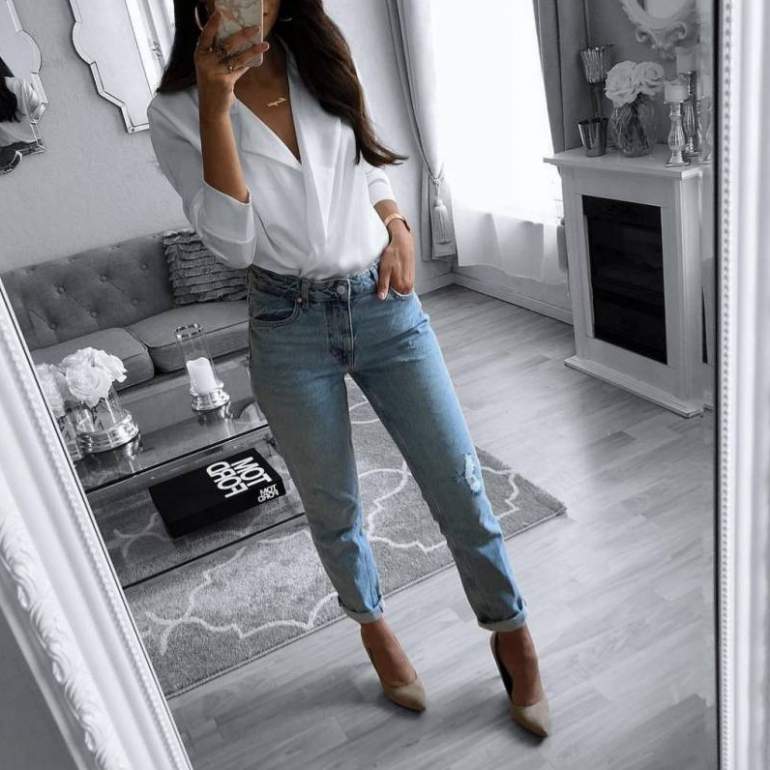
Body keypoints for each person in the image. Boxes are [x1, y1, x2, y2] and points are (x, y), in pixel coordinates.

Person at [147, 0, 550, 737]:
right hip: (285, 322)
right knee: (333, 504)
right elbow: (233, 245)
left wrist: (398, 224)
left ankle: (511, 629)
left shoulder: (321, 55)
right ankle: (372, 625)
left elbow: (367, 162)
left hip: (383, 302)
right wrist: (214, 103)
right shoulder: (174, 110)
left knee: (458, 479)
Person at [0, 56, 45, 168]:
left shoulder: (19, 85)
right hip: (39, 146)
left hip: (10, 159)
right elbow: (43, 114)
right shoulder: (19, 85)